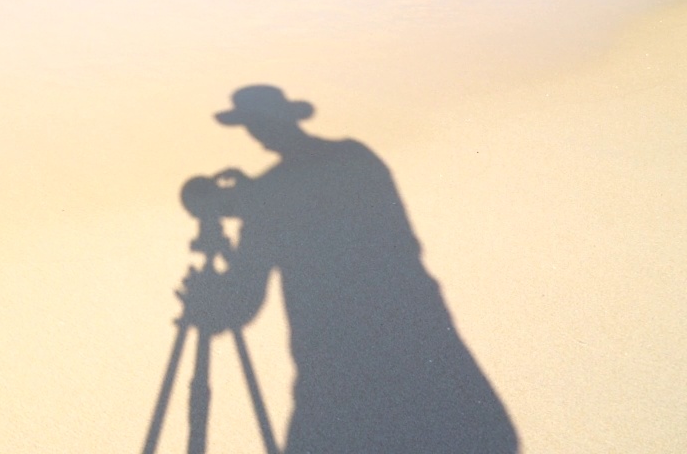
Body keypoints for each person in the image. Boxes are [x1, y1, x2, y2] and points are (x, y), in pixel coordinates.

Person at [186, 85, 518, 454]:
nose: (256, 134)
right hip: (421, 346)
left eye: (254, 125)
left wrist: (205, 302)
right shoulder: (353, 159)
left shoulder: (270, 195)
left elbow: (241, 301)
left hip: (338, 377)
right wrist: (259, 201)